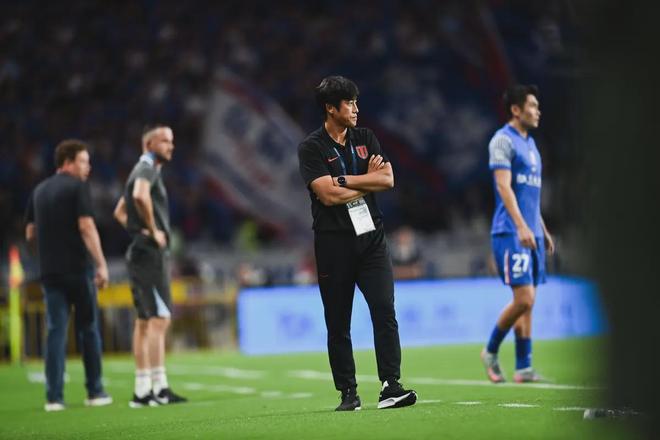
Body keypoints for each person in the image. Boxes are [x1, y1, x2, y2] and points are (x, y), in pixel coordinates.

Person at [297, 76, 417, 411]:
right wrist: (368, 181)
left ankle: (390, 386)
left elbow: (388, 179)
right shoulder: (311, 147)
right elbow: (328, 195)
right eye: (349, 103)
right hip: (334, 245)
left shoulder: (366, 138)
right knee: (338, 322)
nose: (355, 109)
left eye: (355, 102)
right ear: (330, 108)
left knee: (384, 309)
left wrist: (344, 180)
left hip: (371, 239)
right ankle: (348, 393)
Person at [24, 139, 112, 411]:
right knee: (88, 329)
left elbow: (30, 233)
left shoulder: (39, 190)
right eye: (83, 161)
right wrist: (101, 264)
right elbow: (86, 226)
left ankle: (54, 397)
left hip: (50, 272)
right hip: (78, 269)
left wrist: (46, 253)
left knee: (55, 331)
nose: (88, 167)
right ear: (68, 162)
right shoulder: (77, 187)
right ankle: (95, 392)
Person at [480, 84, 555, 383]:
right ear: (515, 109)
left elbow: (529, 196)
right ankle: (490, 350)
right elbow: (503, 186)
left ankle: (523, 367)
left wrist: (541, 228)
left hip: (531, 231)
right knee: (524, 298)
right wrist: (522, 225)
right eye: (532, 106)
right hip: (510, 231)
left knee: (529, 301)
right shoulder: (502, 141)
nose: (537, 111)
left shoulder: (531, 145)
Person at [113, 124, 187, 407]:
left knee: (145, 321)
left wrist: (138, 231)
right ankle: (160, 387)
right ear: (149, 144)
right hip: (149, 255)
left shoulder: (141, 169)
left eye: (171, 140)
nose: (171, 145)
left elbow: (120, 211)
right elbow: (139, 196)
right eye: (165, 140)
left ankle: (143, 390)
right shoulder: (146, 168)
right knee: (159, 319)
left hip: (141, 252)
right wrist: (152, 231)